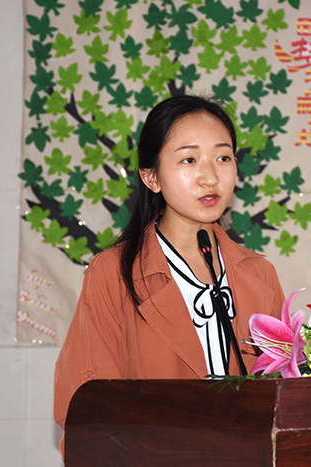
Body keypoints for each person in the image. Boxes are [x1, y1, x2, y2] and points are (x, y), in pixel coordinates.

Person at [53, 94, 285, 437]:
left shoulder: (259, 274)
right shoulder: (113, 273)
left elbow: (283, 394)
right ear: (152, 178)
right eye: (189, 159)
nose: (210, 177)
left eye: (223, 158)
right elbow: (86, 404)